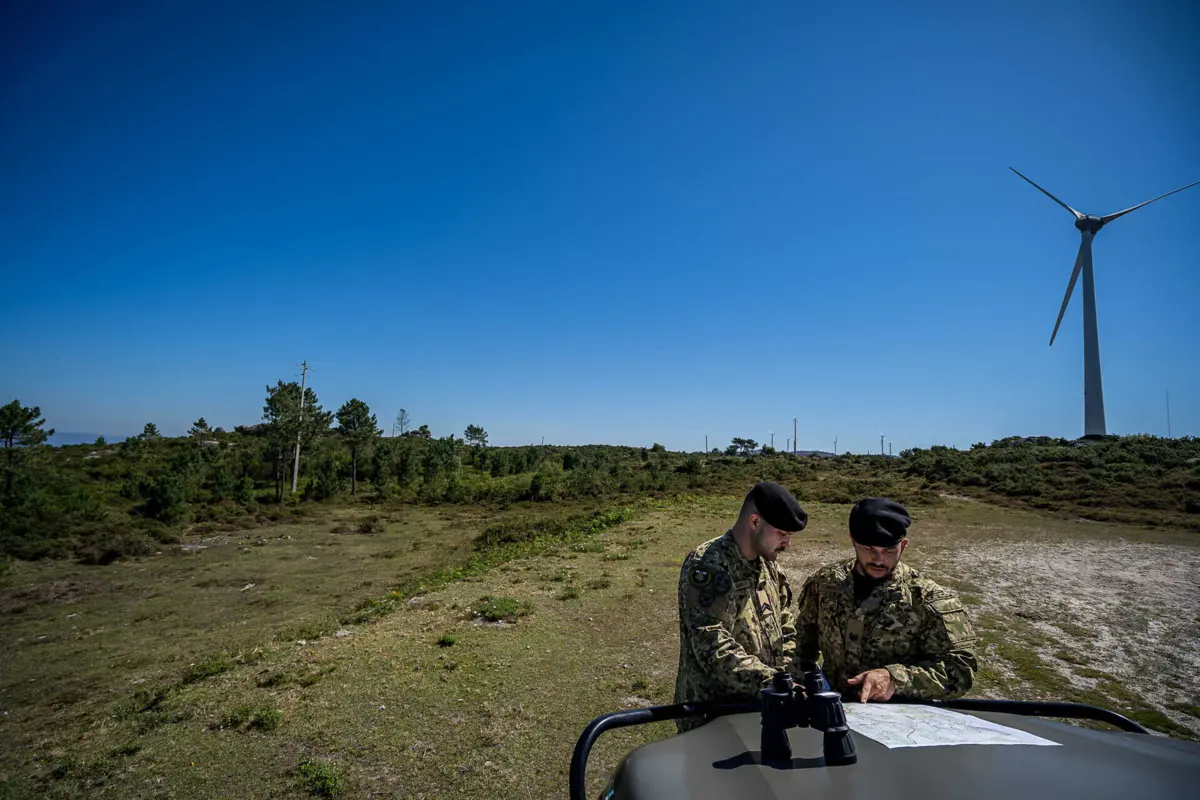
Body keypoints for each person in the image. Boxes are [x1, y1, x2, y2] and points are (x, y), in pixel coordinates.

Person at [793, 497, 978, 704]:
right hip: (831, 711)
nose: (879, 560)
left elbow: (961, 670)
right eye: (868, 549)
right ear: (853, 540)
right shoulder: (825, 583)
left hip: (897, 720)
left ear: (904, 545)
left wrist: (896, 678)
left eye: (889, 551)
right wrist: (799, 683)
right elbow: (801, 644)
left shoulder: (928, 599)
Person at [673, 481, 809, 732]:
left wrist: (791, 674)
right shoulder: (708, 566)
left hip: (764, 709)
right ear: (755, 521)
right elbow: (712, 647)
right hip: (712, 719)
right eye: (782, 534)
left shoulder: (768, 564)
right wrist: (776, 682)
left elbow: (785, 624)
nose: (787, 544)